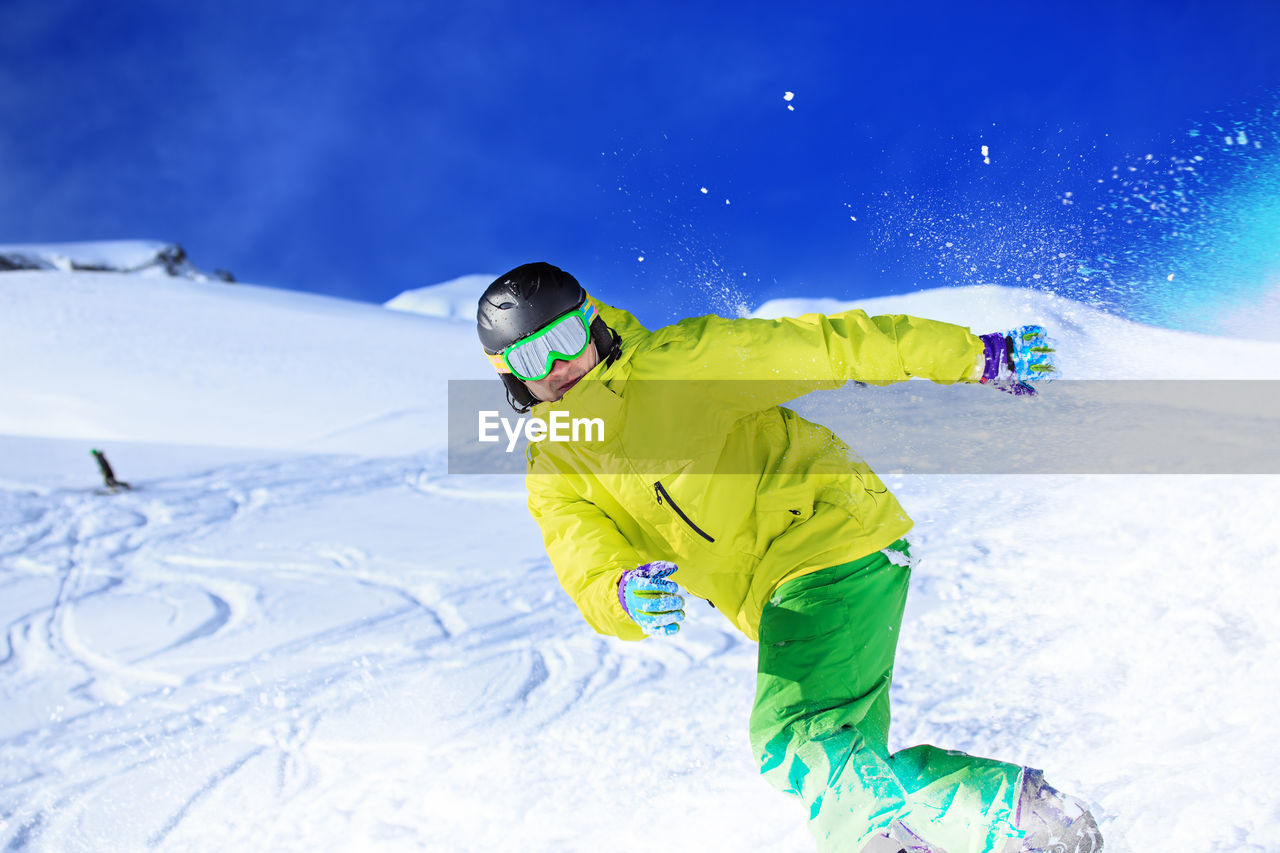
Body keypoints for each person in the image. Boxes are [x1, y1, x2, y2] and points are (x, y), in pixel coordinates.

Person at [475, 262, 1101, 853]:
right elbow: (583, 558)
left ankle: (957, 826)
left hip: (827, 539)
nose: (556, 366)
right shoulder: (554, 465)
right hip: (781, 594)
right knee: (843, 761)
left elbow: (832, 346)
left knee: (792, 737)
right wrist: (620, 594)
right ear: (509, 374)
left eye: (565, 340)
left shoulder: (679, 365)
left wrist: (975, 355)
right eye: (531, 357)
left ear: (592, 325)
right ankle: (1026, 819)